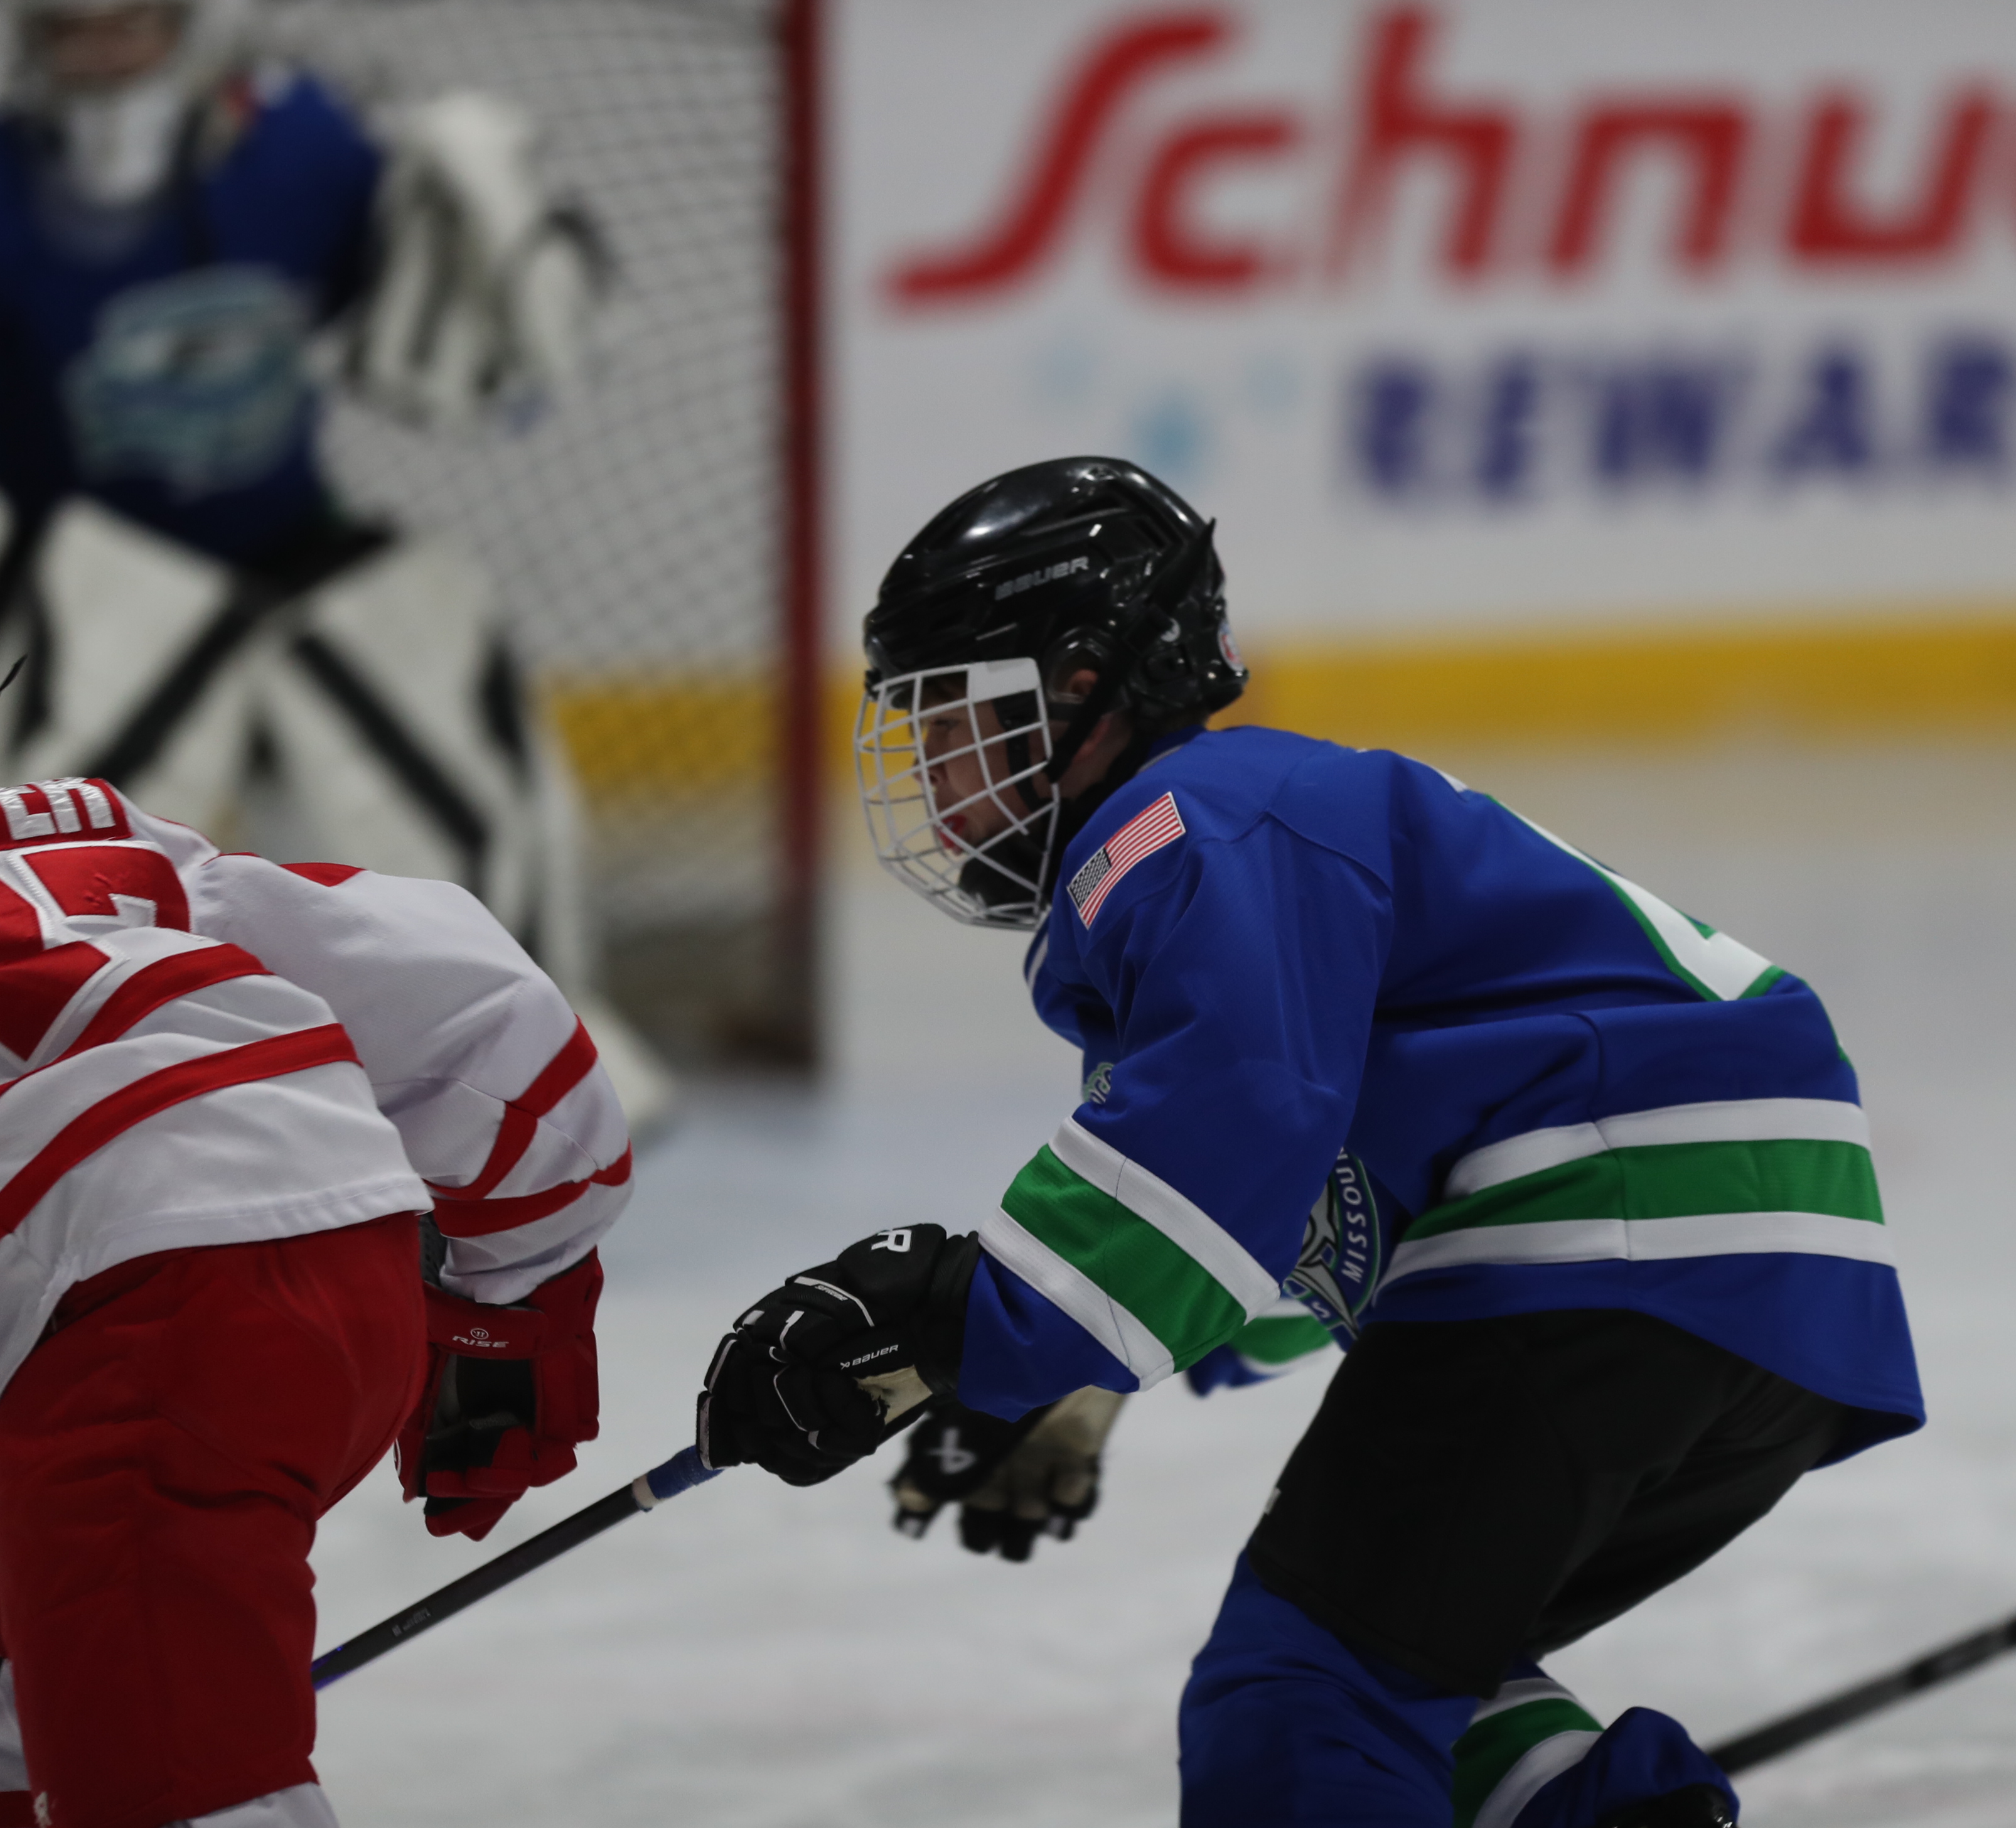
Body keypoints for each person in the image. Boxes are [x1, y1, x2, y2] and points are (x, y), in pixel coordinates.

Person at [692, 456, 1926, 1828]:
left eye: (955, 724)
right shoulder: (1232, 832)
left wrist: (957, 1317)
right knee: (1411, 1677)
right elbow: (1298, 1215)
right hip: (1761, 1280)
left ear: (1086, 691)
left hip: (1610, 1223)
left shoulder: (1189, 823)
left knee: (1299, 1708)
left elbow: (1226, 1135)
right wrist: (1067, 1388)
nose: (932, 781)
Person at [0, 529, 631, 1828]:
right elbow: (485, 1010)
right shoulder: (96, 837)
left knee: (183, 1797)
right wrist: (516, 1307)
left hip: (145, 1342)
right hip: (350, 1276)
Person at [0, 0, 591, 578]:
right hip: (62, 586)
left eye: (134, 26)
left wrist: (470, 245)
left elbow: (417, 310)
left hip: (280, 558)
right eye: (70, 33)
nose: (105, 57)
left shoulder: (303, 144)